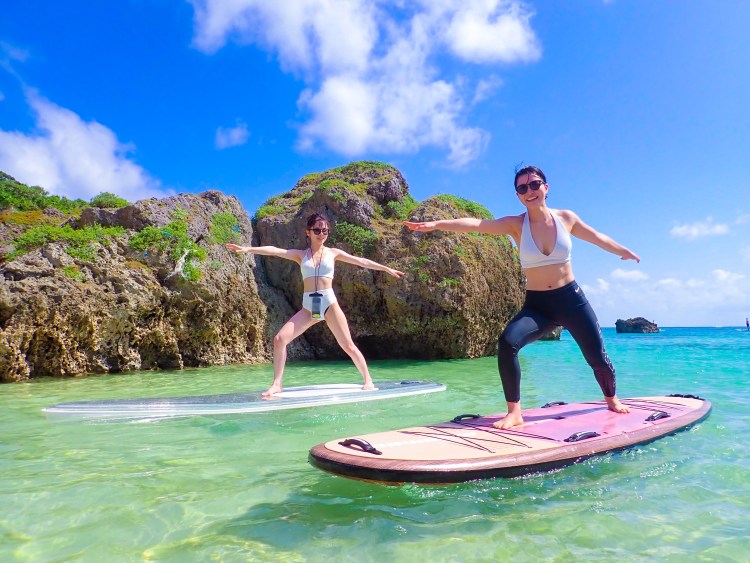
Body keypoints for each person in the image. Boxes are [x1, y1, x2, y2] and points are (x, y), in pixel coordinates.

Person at [404, 165, 640, 429]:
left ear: (546, 187)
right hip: (538, 305)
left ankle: (611, 400)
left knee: (597, 358)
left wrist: (623, 251)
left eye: (535, 184)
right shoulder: (516, 225)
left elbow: (596, 237)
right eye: (523, 187)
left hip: (571, 300)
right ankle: (514, 412)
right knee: (507, 343)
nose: (530, 190)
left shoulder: (566, 218)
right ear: (518, 195)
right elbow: (477, 225)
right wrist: (437, 224)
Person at [227, 213, 404, 396]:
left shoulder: (333, 253)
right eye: (317, 230)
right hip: (309, 306)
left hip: (329, 304)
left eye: (325, 230)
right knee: (279, 339)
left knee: (348, 345)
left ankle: (368, 379)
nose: (321, 234)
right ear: (308, 232)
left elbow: (360, 261)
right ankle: (277, 384)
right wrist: (247, 249)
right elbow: (274, 250)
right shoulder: (301, 255)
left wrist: (385, 268)